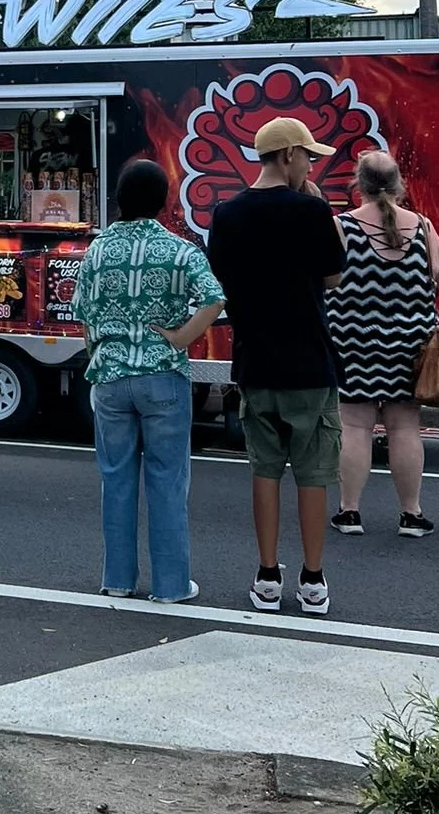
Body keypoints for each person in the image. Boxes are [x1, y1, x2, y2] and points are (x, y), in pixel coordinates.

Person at [207, 116, 345, 617]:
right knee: (312, 473)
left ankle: (267, 577)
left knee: (264, 471)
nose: (310, 164)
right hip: (310, 360)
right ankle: (313, 581)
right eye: (308, 155)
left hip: (254, 360)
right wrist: (316, 206)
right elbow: (332, 277)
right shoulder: (312, 211)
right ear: (288, 156)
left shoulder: (227, 214)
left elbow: (221, 277)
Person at [74, 159, 224, 603]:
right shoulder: (180, 250)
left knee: (116, 479)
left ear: (120, 198)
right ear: (163, 201)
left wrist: (103, 349)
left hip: (110, 377)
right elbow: (214, 299)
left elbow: (83, 314)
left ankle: (118, 581)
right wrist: (179, 338)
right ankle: (172, 586)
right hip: (162, 377)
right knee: (168, 480)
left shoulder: (97, 251)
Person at [326, 151, 439, 540]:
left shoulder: (341, 227)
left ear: (357, 184)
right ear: (399, 185)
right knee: (404, 426)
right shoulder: (424, 227)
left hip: (353, 343)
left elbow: (322, 277)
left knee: (354, 426)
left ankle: (350, 512)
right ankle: (411, 515)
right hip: (410, 347)